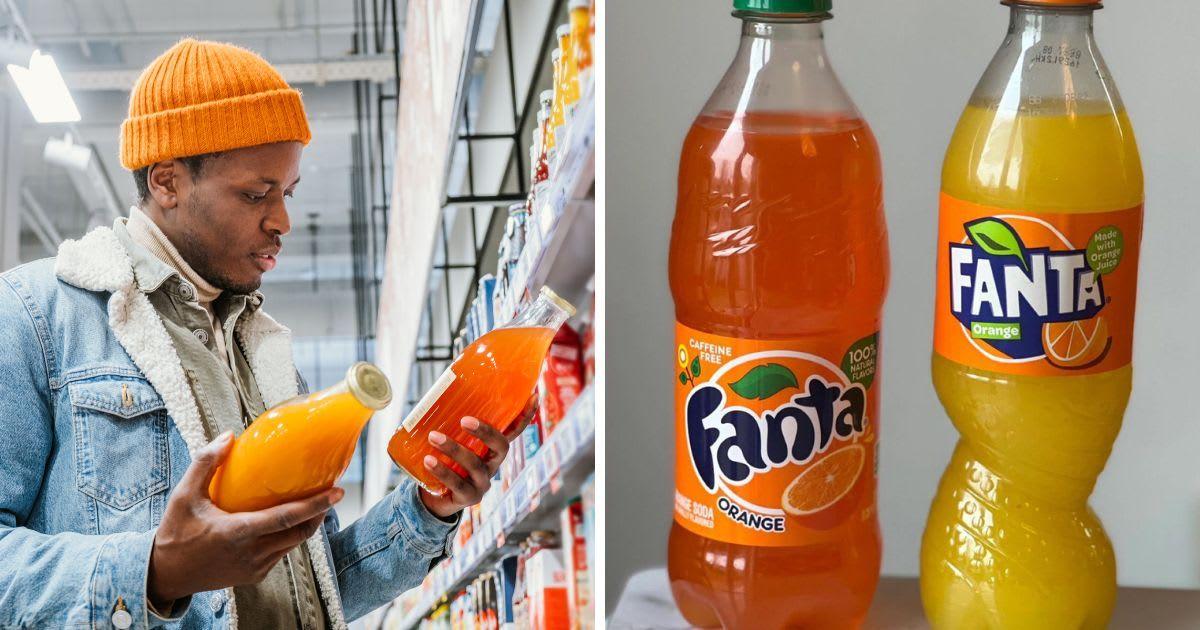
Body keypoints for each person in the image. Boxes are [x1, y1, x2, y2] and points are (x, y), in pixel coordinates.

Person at [0, 39, 528, 629]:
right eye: (256, 194)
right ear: (167, 181)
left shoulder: (265, 355)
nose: (282, 221)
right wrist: (155, 570)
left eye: (288, 192)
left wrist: (429, 506)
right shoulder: (37, 315)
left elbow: (315, 587)